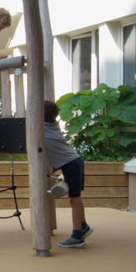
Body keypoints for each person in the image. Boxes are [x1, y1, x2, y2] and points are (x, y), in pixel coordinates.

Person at [40, 100, 93, 248]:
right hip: (75, 161)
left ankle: (77, 236)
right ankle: (83, 226)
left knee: (74, 199)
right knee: (76, 198)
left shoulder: (41, 129)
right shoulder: (52, 125)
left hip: (71, 164)